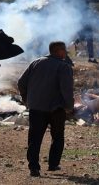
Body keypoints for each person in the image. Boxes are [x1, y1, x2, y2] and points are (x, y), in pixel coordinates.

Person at [17, 41, 74, 177]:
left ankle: (34, 168)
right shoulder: (64, 66)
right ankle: (53, 165)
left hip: (36, 107)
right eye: (64, 50)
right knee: (58, 137)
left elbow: (21, 83)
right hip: (56, 109)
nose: (65, 53)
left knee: (34, 138)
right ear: (59, 51)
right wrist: (69, 107)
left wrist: (27, 99)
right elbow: (66, 89)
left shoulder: (36, 62)